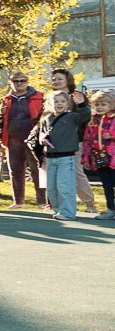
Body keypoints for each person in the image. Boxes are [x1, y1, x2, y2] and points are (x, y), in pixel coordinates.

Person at [36, 91, 91, 221]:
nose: (59, 104)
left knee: (65, 186)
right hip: (50, 157)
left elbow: (85, 116)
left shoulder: (72, 117)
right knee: (52, 187)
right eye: (56, 101)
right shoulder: (47, 118)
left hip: (66, 158)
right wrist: (43, 140)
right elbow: (41, 134)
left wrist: (82, 104)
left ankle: (68, 212)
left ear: (68, 103)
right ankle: (58, 210)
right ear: (50, 103)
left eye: (62, 101)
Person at [49, 69, 98, 213]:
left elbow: (85, 117)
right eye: (54, 79)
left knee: (76, 173)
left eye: (60, 79)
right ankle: (58, 207)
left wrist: (81, 105)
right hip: (54, 144)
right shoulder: (51, 97)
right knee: (55, 177)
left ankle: (90, 204)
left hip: (74, 143)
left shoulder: (77, 96)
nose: (56, 81)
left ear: (67, 80)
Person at [0, 71, 46, 209]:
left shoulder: (39, 97)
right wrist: (0, 114)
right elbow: (0, 118)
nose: (19, 83)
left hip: (34, 140)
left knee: (38, 170)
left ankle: (43, 202)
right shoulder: (6, 99)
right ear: (11, 83)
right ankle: (18, 202)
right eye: (16, 81)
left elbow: (46, 117)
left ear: (27, 81)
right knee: (15, 171)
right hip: (12, 140)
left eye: (22, 80)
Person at [81, 90, 115, 220]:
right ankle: (111, 209)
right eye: (97, 104)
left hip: (113, 157)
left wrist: (112, 135)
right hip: (100, 157)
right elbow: (87, 140)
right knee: (106, 184)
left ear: (112, 104)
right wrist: (86, 158)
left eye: (103, 104)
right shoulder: (93, 121)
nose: (100, 107)